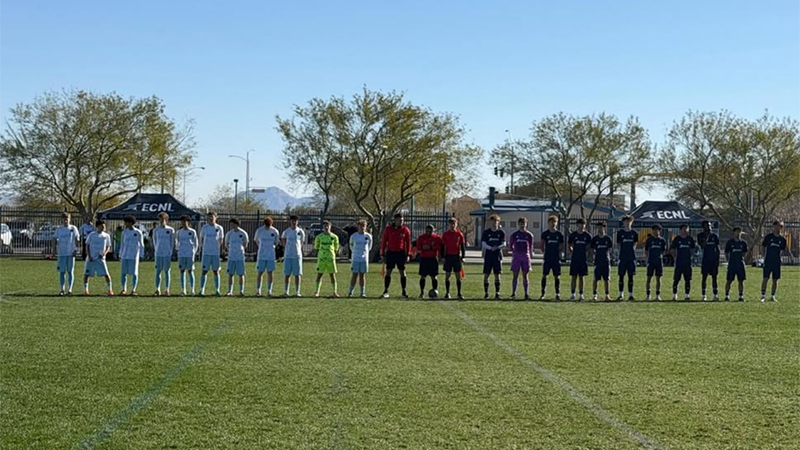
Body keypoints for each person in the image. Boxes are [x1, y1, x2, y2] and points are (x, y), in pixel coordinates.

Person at [380, 213, 412, 298]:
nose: (401, 222)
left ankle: (404, 291)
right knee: (388, 271)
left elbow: (408, 243)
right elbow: (384, 241)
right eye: (399, 220)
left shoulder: (405, 230)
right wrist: (382, 253)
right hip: (391, 253)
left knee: (402, 272)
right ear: (395, 220)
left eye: (402, 220)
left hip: (401, 253)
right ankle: (386, 290)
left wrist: (408, 254)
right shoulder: (389, 229)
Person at [761, 220, 793, 302]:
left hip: (777, 262)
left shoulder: (782, 239)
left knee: (775, 280)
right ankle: (763, 296)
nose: (776, 228)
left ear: (780, 227)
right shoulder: (769, 237)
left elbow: (784, 249)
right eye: (775, 226)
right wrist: (763, 255)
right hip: (768, 261)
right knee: (765, 278)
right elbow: (763, 246)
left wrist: (790, 256)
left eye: (778, 226)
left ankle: (772, 296)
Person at [82, 220, 113, 296]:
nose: (103, 227)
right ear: (97, 226)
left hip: (101, 258)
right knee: (87, 274)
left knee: (106, 274)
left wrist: (104, 253)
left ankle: (110, 289)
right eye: (102, 226)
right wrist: (89, 256)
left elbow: (108, 246)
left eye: (104, 226)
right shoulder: (92, 235)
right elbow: (87, 245)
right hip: (91, 258)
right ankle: (86, 290)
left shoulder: (106, 236)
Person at [198, 212, 225, 297]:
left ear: (215, 218)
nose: (210, 219)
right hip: (206, 253)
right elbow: (201, 238)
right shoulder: (204, 227)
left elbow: (221, 239)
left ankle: (217, 290)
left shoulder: (219, 228)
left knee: (216, 271)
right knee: (204, 271)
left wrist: (216, 248)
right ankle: (202, 290)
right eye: (209, 217)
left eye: (212, 217)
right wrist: (203, 247)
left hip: (215, 253)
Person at [54, 212, 80, 295]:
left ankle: (70, 289)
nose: (65, 221)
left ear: (69, 219)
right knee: (62, 272)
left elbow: (77, 239)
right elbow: (55, 239)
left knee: (70, 271)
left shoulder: (73, 228)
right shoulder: (59, 229)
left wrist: (76, 249)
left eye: (67, 219)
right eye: (64, 219)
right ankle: (62, 289)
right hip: (62, 253)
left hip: (70, 253)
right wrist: (54, 250)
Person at [509, 217, 534, 300]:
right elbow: (510, 245)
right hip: (517, 257)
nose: (522, 225)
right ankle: (513, 293)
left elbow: (531, 246)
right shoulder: (514, 235)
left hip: (525, 257)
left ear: (526, 224)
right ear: (518, 224)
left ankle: (526, 293)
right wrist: (514, 252)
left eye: (523, 223)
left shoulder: (529, 235)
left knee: (525, 275)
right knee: (515, 275)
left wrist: (530, 255)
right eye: (520, 224)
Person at [540, 215, 565, 300]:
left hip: (556, 258)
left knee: (557, 276)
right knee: (544, 275)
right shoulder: (545, 234)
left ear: (557, 223)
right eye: (551, 222)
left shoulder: (559, 234)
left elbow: (561, 245)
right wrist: (544, 252)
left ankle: (557, 293)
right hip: (547, 258)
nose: (553, 224)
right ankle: (543, 293)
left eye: (555, 222)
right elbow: (542, 245)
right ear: (548, 223)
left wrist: (560, 253)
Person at [481, 215, 506, 300]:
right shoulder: (486, 232)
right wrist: (490, 248)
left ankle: (497, 293)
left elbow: (504, 243)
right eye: (493, 221)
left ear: (498, 222)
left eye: (496, 221)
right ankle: (486, 293)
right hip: (488, 256)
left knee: (497, 275)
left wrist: (497, 247)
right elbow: (483, 244)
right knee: (486, 274)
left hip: (497, 256)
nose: (494, 223)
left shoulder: (501, 232)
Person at [313, 220, 340, 297]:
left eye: (328, 226)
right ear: (323, 227)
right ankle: (317, 292)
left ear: (330, 226)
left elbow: (336, 248)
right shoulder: (319, 237)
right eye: (325, 226)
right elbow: (317, 247)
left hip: (331, 259)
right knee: (319, 275)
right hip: (322, 259)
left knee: (332, 275)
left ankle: (334, 292)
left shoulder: (334, 237)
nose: (326, 227)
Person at [254, 216, 280, 297]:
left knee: (270, 273)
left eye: (269, 225)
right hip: (261, 256)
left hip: (271, 256)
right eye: (266, 225)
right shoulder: (259, 231)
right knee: (260, 272)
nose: (268, 226)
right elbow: (256, 240)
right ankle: (258, 290)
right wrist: (261, 248)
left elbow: (276, 242)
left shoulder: (275, 231)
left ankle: (269, 290)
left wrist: (271, 248)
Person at [441, 217, 466, 300]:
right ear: (449, 225)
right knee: (447, 275)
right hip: (448, 256)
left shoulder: (459, 234)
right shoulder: (445, 234)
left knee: (458, 276)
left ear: (456, 224)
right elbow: (442, 246)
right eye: (451, 224)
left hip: (456, 257)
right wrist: (443, 257)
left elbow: (462, 246)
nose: (452, 225)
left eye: (454, 224)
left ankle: (459, 293)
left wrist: (463, 256)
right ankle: (447, 293)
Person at [119, 215, 144, 296]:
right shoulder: (124, 232)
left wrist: (141, 255)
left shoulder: (138, 232)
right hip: (125, 255)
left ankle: (133, 289)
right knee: (123, 273)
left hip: (134, 255)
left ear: (130, 223)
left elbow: (141, 244)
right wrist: (120, 254)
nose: (125, 224)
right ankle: (124, 289)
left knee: (134, 273)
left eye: (126, 222)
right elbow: (122, 244)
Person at [416, 224, 443, 299]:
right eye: (427, 231)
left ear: (433, 231)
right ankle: (422, 292)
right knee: (423, 276)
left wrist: (431, 247)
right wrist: (422, 247)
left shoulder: (437, 238)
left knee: (434, 276)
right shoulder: (421, 237)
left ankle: (435, 291)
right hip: (424, 259)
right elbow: (418, 247)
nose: (428, 233)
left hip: (433, 259)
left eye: (430, 231)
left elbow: (439, 246)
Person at [152, 212, 176, 296]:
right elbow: (155, 241)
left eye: (163, 219)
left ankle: (167, 289)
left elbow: (172, 242)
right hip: (158, 253)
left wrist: (170, 251)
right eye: (160, 219)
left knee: (167, 271)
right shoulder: (156, 230)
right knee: (158, 271)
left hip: (167, 254)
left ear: (166, 220)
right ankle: (157, 289)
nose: (161, 221)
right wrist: (156, 251)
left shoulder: (170, 230)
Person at [567, 218, 592, 301]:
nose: (582, 226)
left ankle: (581, 294)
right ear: (577, 225)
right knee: (574, 276)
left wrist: (585, 250)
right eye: (580, 224)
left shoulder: (587, 236)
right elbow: (569, 244)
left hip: (583, 259)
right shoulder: (573, 235)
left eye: (583, 224)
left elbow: (589, 245)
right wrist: (571, 250)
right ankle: (573, 294)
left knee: (582, 277)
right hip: (575, 259)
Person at [281, 215, 306, 297]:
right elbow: (283, 239)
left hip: (297, 256)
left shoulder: (300, 231)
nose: (294, 222)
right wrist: (286, 247)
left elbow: (302, 242)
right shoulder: (286, 231)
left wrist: (298, 249)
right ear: (290, 221)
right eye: (292, 220)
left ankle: (297, 291)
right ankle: (286, 291)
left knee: (297, 274)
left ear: (297, 222)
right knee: (287, 274)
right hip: (288, 256)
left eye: (295, 220)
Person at [616, 215, 639, 301]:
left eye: (629, 221)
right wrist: (621, 252)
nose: (628, 223)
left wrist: (632, 250)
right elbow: (618, 244)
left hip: (631, 258)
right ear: (623, 222)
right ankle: (621, 294)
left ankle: (630, 295)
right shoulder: (620, 233)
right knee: (621, 276)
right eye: (626, 221)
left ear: (631, 222)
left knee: (631, 276)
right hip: (622, 258)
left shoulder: (634, 233)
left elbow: (635, 243)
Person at [670, 224, 696, 301]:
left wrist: (690, 256)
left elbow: (693, 249)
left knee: (687, 279)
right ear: (680, 230)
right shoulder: (677, 239)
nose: (686, 230)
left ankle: (687, 295)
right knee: (676, 279)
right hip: (679, 263)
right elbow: (672, 249)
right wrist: (675, 257)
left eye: (687, 229)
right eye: (684, 229)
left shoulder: (690, 239)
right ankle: (675, 295)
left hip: (687, 263)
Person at [697, 220, 721, 301]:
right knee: (704, 277)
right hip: (705, 260)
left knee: (714, 277)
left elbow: (717, 247)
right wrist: (707, 237)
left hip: (713, 260)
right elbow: (702, 245)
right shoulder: (700, 236)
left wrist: (718, 258)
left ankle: (715, 295)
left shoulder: (715, 236)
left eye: (710, 226)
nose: (709, 227)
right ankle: (704, 295)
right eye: (707, 226)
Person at [224, 218, 249, 297]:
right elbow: (226, 244)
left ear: (237, 224)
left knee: (241, 274)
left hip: (240, 257)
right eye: (231, 224)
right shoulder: (229, 233)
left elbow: (245, 244)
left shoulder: (243, 233)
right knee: (230, 274)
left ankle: (241, 290)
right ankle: (230, 291)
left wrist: (240, 250)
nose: (231, 225)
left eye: (233, 224)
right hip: (231, 257)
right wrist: (231, 250)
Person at [589, 221, 613, 301]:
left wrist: (607, 256)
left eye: (601, 227)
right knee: (596, 279)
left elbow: (610, 249)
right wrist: (594, 254)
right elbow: (592, 249)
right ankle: (595, 295)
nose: (599, 229)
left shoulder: (608, 239)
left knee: (607, 279)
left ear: (604, 228)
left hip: (606, 262)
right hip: (597, 261)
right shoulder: (595, 239)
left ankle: (607, 295)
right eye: (598, 227)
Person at [348, 219, 372, 298]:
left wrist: (365, 253)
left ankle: (362, 292)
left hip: (364, 259)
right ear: (358, 226)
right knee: (354, 275)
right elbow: (351, 246)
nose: (362, 227)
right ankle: (350, 292)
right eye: (361, 226)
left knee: (362, 275)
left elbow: (369, 247)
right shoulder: (354, 236)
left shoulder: (368, 236)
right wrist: (355, 253)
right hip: (355, 259)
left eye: (364, 226)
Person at [176, 215, 198, 296]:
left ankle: (192, 290)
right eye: (182, 221)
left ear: (188, 222)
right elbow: (177, 242)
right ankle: (183, 290)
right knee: (182, 271)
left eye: (185, 221)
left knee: (190, 271)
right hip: (181, 254)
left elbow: (196, 243)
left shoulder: (192, 231)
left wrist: (194, 252)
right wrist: (178, 250)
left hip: (190, 254)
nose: (183, 223)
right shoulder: (179, 232)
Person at [644, 225, 667, 301]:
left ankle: (658, 295)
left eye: (657, 230)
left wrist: (660, 256)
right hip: (651, 261)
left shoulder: (662, 240)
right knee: (649, 278)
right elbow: (646, 250)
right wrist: (647, 259)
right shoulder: (649, 240)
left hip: (659, 261)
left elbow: (664, 251)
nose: (655, 231)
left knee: (658, 278)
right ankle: (648, 295)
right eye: (654, 230)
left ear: (660, 231)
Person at [724, 227, 748, 301]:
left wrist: (742, 259)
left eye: (739, 232)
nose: (738, 233)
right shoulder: (730, 242)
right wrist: (728, 260)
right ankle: (727, 295)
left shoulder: (743, 243)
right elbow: (726, 252)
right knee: (729, 280)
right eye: (737, 232)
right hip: (732, 264)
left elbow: (745, 252)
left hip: (740, 264)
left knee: (741, 281)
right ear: (733, 233)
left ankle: (741, 296)